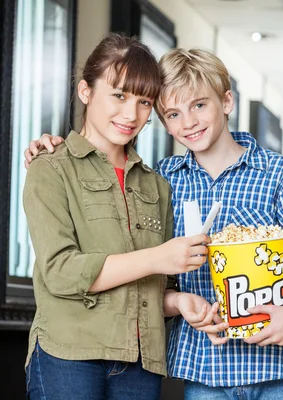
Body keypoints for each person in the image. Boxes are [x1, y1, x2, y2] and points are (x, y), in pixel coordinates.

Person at [25, 47, 283, 399]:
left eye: (200, 106)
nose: (188, 122)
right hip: (202, 368)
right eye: (173, 114)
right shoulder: (163, 180)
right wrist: (51, 146)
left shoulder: (279, 174)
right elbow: (152, 278)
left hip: (277, 366)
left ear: (227, 102)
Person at [22, 34, 214, 400]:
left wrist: (178, 302)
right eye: (119, 95)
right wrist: (158, 257)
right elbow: (60, 271)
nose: (131, 115)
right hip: (69, 356)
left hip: (140, 363)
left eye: (144, 102)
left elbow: (148, 288)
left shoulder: (158, 185)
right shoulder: (50, 168)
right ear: (85, 91)